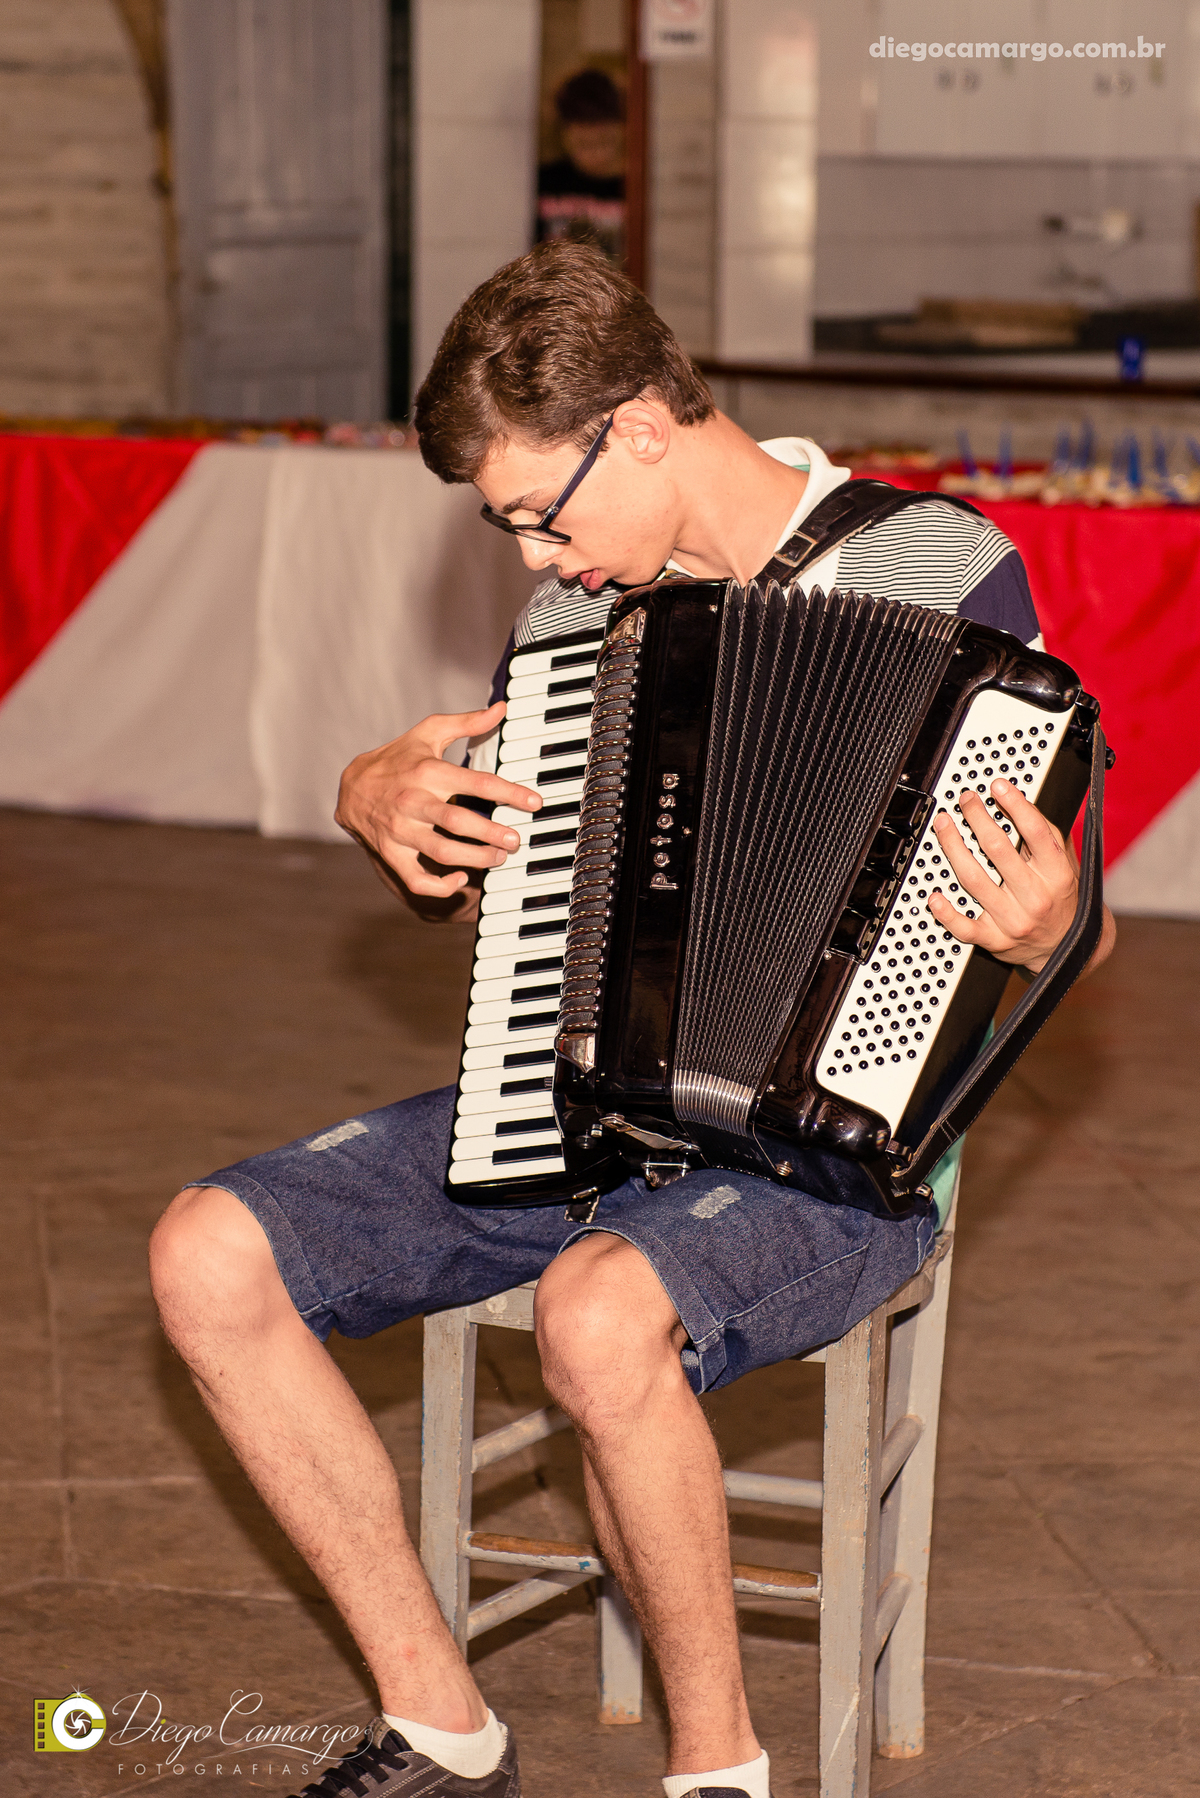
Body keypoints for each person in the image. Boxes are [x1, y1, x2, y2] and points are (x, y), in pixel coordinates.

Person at [149, 242, 1116, 1798]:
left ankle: (717, 1768)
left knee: (601, 1310)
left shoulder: (939, 567)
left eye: (545, 511)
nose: (540, 556)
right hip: (573, 1111)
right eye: (512, 527)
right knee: (206, 1251)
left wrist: (1054, 924)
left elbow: (1076, 914)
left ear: (645, 427)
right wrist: (380, 803)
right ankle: (441, 1720)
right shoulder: (568, 631)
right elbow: (504, 892)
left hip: (834, 1157)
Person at [536, 68, 626, 264]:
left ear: (623, 132)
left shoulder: (638, 189)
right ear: (563, 136)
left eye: (605, 141)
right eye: (583, 144)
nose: (596, 154)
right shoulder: (543, 182)